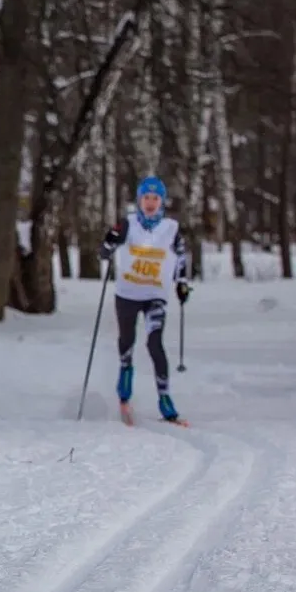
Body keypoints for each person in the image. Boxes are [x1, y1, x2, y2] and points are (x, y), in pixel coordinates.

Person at [98, 175, 191, 424]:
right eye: (146, 198)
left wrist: (182, 283)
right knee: (127, 341)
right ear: (139, 200)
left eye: (155, 198)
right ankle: (124, 386)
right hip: (127, 294)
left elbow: (182, 258)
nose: (150, 203)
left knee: (154, 343)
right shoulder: (127, 224)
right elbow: (104, 253)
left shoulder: (171, 229)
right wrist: (109, 241)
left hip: (155, 296)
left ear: (162, 202)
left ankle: (165, 399)